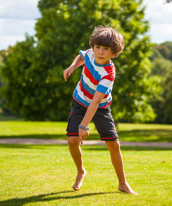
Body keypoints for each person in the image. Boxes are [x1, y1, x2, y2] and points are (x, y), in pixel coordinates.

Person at [63, 26, 137, 195]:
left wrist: (84, 125)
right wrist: (72, 67)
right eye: (97, 47)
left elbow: (96, 101)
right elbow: (81, 57)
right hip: (79, 101)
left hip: (100, 108)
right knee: (72, 140)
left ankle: (123, 183)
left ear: (114, 53)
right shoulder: (91, 53)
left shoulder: (108, 74)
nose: (100, 52)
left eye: (106, 49)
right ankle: (81, 171)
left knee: (114, 144)